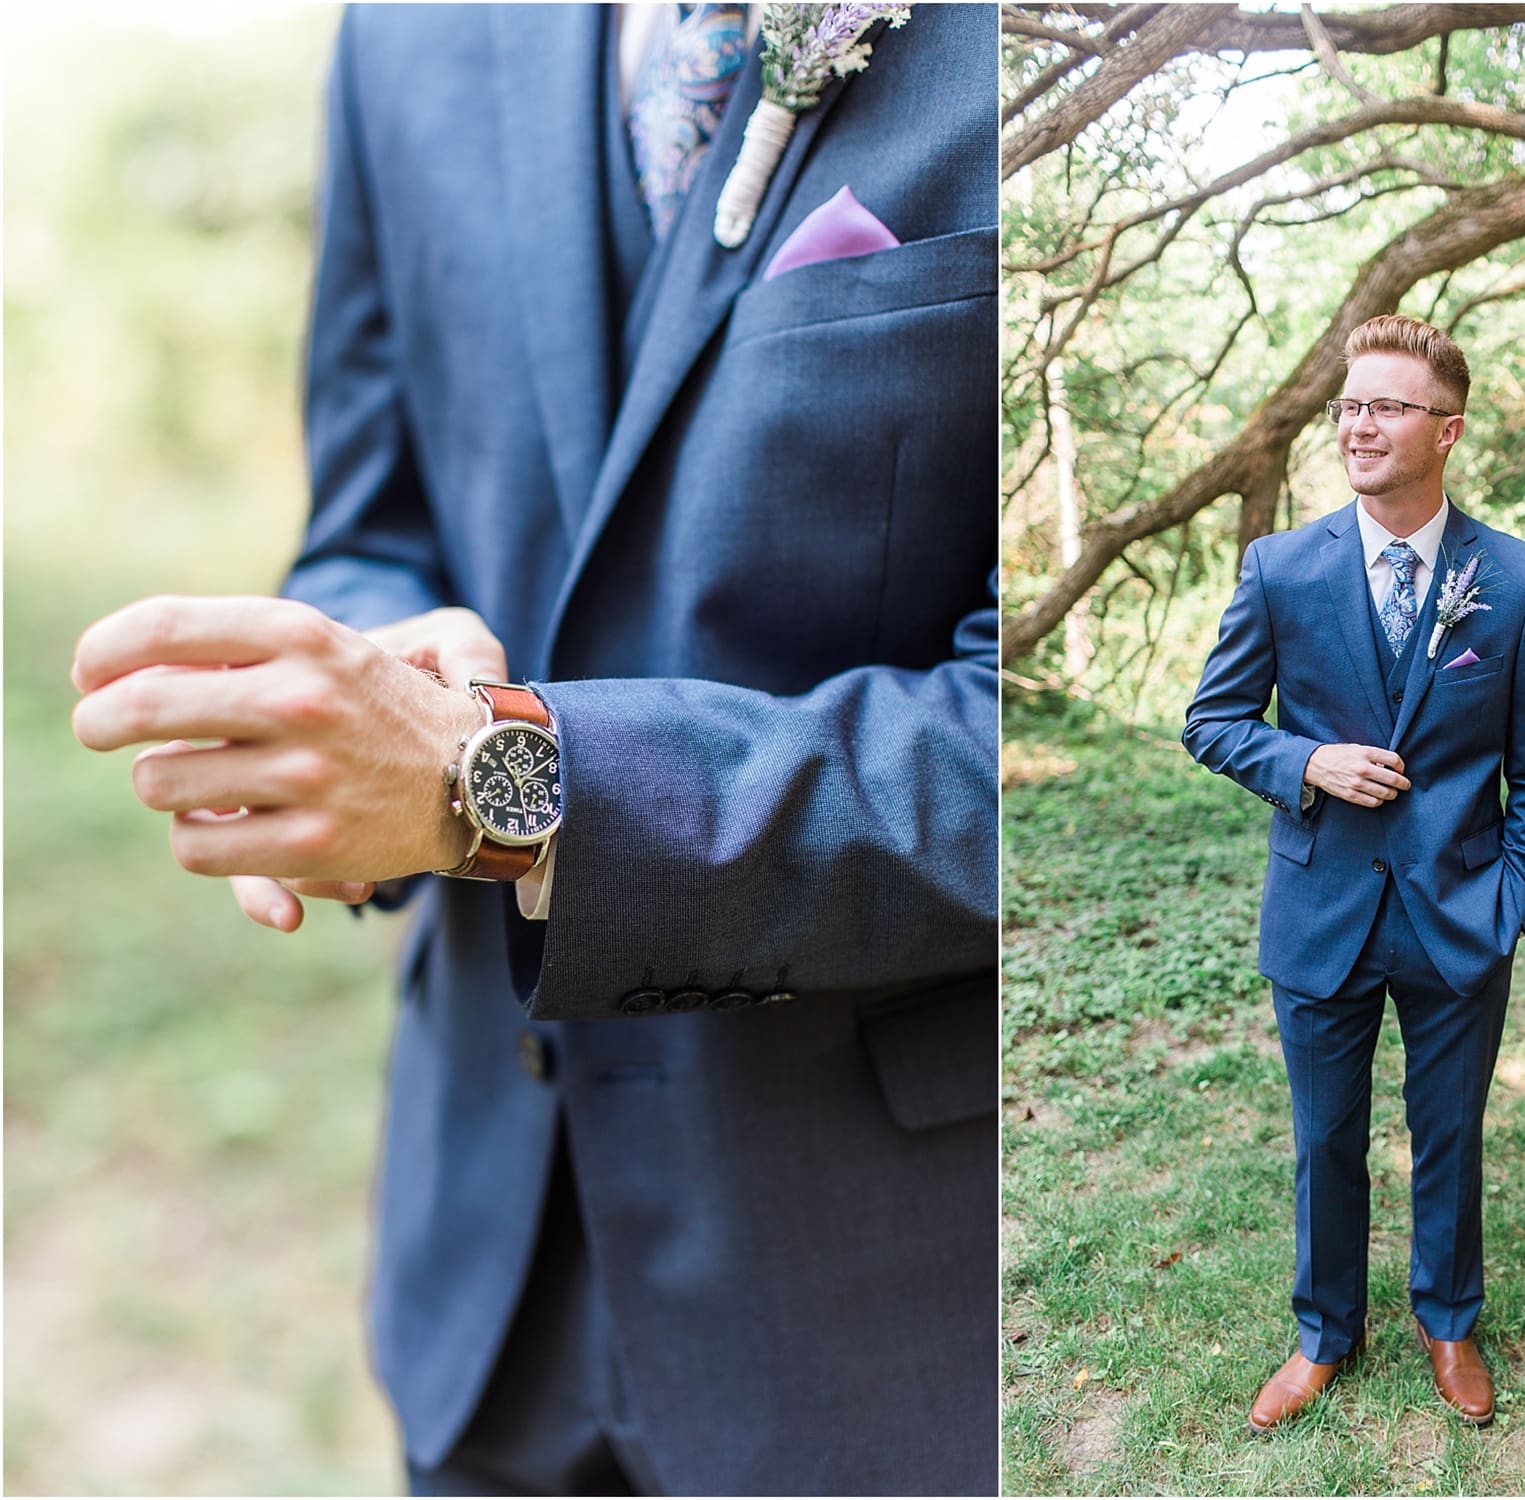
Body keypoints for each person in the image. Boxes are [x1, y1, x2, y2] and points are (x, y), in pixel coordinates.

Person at [70, 5, 999, 1492]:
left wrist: (495, 784)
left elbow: (1037, 747)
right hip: (485, 1279)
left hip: (887, 1322)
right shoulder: (404, 36)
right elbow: (369, 528)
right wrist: (358, 685)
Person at [1183, 314, 1525, 1432]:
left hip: (1459, 909)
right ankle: (1322, 1336)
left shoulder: (1511, 577)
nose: (1357, 423)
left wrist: (1516, 893)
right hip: (1320, 908)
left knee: (1449, 1132)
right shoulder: (1281, 569)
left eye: (1386, 405)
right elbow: (1211, 723)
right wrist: (1304, 759)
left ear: (1444, 430)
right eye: (1349, 403)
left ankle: (1447, 1321)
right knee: (1323, 1141)